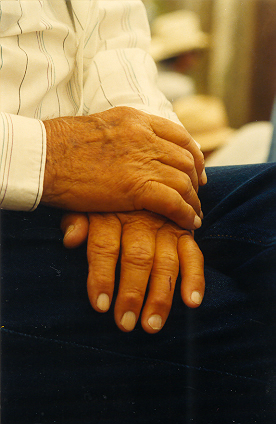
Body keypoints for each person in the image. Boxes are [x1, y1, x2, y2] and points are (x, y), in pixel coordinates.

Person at [1, 1, 275, 423]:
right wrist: (51, 158)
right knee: (235, 332)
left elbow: (115, 41)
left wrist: (145, 178)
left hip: (95, 179)